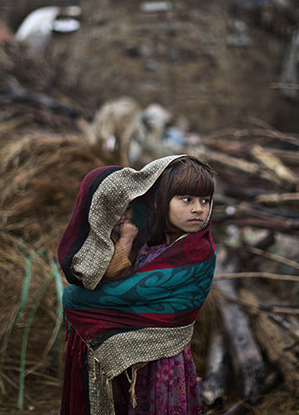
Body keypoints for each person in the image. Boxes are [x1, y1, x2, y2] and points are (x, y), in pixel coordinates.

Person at [58, 155, 216, 414]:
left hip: (165, 363)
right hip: (131, 363)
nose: (198, 209)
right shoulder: (149, 241)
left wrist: (78, 301)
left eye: (205, 201)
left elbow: (131, 294)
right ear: (162, 202)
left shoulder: (197, 252)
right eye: (187, 199)